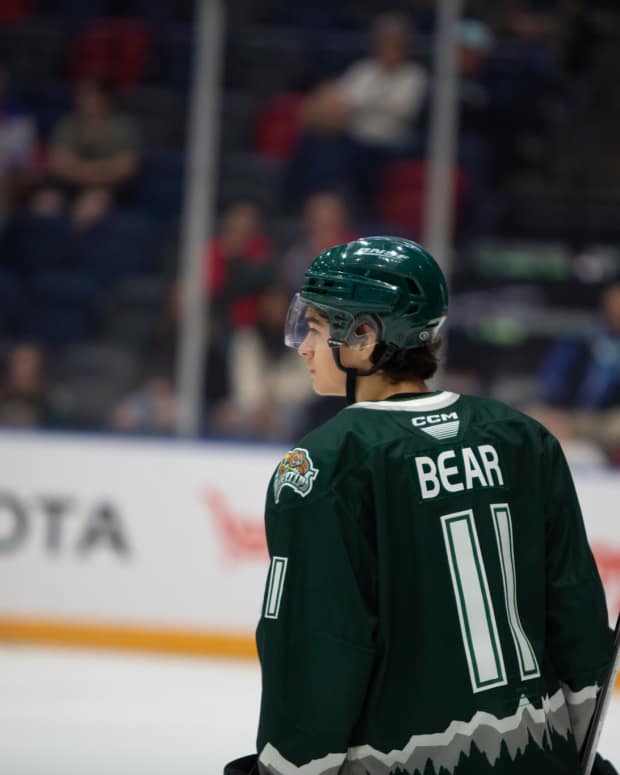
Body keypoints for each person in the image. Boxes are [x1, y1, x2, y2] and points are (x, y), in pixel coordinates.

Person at [225, 236, 617, 775]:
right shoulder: (522, 437)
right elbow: (580, 621)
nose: (302, 346)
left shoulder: (327, 464)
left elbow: (317, 650)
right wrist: (574, 755)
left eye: (314, 327)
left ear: (364, 336)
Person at [30, 78, 141, 228]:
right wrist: (97, 171)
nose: (82, 100)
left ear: (105, 98)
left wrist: (80, 170)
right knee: (44, 203)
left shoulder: (122, 128)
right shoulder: (69, 124)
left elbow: (125, 167)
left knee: (90, 206)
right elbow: (57, 161)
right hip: (66, 185)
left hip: (107, 189)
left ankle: (75, 249)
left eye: (89, 94)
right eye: (81, 95)